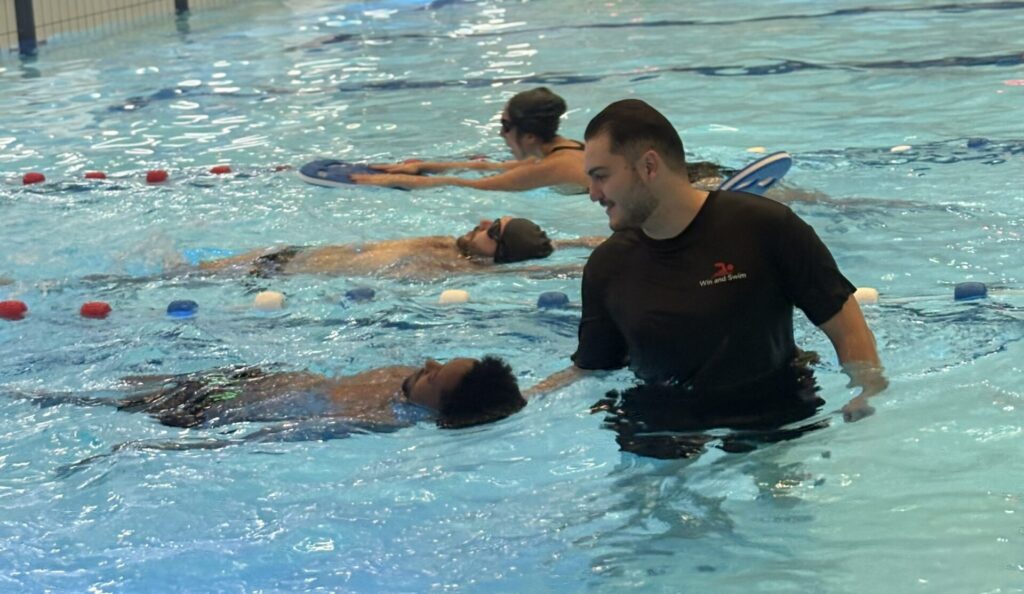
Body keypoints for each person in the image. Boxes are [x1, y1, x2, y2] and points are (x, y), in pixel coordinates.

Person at [542, 99, 886, 432]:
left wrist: (866, 391)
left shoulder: (764, 227)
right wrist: (522, 402)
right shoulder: (607, 267)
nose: (592, 193)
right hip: (662, 425)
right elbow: (591, 368)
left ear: (649, 167)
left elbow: (843, 322)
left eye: (601, 176)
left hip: (772, 411)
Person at [20, 356, 531, 434]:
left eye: (434, 377)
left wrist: (175, 445)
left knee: (79, 400)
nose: (426, 365)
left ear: (435, 409)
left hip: (216, 409)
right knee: (117, 385)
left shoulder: (380, 418)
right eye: (439, 360)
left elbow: (284, 435)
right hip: (244, 377)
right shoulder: (404, 377)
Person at [196, 215, 601, 280]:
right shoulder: (455, 244)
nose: (480, 223)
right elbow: (532, 252)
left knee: (183, 276)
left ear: (498, 252)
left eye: (492, 229)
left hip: (282, 275)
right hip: (289, 254)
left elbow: (525, 266)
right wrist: (576, 242)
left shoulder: (456, 268)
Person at [350, 87, 591, 194]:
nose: (501, 134)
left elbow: (470, 185)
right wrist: (423, 166)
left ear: (529, 136)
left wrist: (394, 180)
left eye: (506, 127)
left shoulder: (553, 166)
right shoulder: (562, 149)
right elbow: (489, 167)